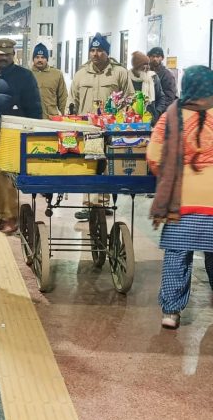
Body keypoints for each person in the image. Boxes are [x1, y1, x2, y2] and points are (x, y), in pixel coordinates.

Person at [147, 65, 213, 329]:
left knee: (177, 255)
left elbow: (154, 155)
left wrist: (168, 176)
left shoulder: (171, 115)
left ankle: (171, 312)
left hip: (181, 201)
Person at [0, 38, 43, 235]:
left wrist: (33, 132)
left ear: (14, 55)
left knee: (6, 177)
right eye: (0, 54)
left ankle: (12, 217)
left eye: (7, 54)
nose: (4, 58)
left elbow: (34, 108)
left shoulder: (24, 76)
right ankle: (3, 216)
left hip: (12, 136)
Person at [68, 33, 132, 219]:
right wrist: (70, 122)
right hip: (89, 128)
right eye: (93, 50)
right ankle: (88, 204)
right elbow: (72, 100)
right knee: (89, 163)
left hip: (111, 128)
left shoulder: (119, 73)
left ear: (107, 53)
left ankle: (103, 204)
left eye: (100, 50)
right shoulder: (81, 74)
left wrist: (124, 119)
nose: (95, 54)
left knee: (106, 165)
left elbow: (129, 98)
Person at [31, 43, 68, 119]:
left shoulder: (57, 74)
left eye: (43, 57)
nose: (40, 60)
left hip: (51, 119)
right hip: (31, 118)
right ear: (33, 59)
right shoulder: (27, 74)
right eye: (37, 57)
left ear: (47, 59)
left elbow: (63, 98)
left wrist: (64, 117)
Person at [129, 51, 166, 123]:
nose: (147, 67)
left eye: (148, 64)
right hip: (130, 121)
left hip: (150, 120)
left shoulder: (153, 77)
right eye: (144, 64)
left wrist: (157, 112)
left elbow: (161, 97)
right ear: (136, 66)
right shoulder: (127, 78)